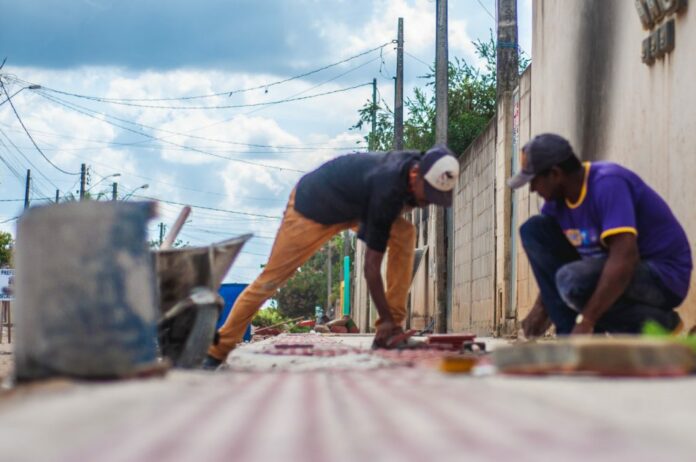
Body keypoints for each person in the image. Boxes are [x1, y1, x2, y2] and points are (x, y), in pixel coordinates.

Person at [203, 145, 459, 368]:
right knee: (272, 279)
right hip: (312, 209)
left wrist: (390, 325)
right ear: (415, 175)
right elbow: (371, 269)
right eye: (427, 196)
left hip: (355, 207)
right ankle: (217, 350)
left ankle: (388, 336)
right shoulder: (387, 188)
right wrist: (387, 322)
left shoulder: (423, 164)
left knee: (404, 234)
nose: (427, 204)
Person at [508, 133, 692, 336]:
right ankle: (569, 336)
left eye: (534, 181)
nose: (532, 189)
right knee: (534, 229)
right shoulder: (555, 206)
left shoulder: (608, 183)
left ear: (555, 174)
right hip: (611, 272)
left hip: (663, 276)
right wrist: (542, 309)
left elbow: (625, 258)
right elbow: (554, 270)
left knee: (572, 281)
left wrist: (586, 321)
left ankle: (660, 323)